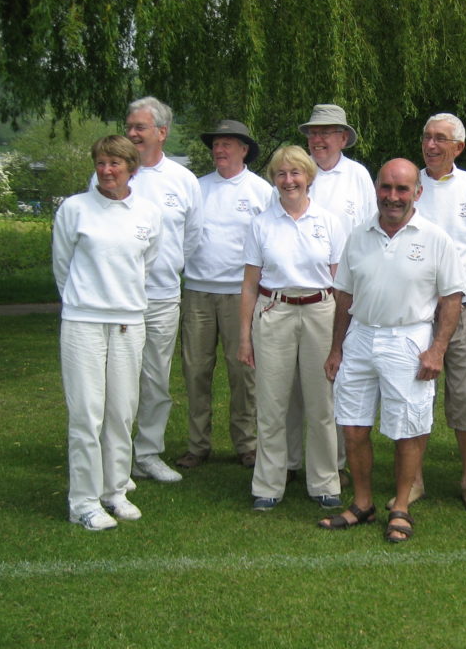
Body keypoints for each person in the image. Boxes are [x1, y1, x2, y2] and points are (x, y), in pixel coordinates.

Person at [319, 158, 466, 543]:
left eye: (402, 189)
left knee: (409, 429)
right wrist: (337, 348)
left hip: (409, 339)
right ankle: (363, 503)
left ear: (417, 192)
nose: (393, 196)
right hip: (361, 336)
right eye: (386, 188)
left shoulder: (435, 238)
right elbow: (344, 295)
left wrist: (437, 349)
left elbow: (452, 299)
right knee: (353, 426)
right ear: (377, 190)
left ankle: (400, 506)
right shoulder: (359, 235)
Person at [89, 97, 203, 485]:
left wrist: (166, 269)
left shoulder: (183, 180)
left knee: (156, 379)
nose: (132, 133)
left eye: (140, 127)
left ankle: (148, 454)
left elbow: (192, 238)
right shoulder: (111, 175)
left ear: (162, 132)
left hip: (162, 297)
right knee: (113, 381)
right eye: (130, 126)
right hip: (115, 299)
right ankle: (112, 459)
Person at [54, 135, 162, 530]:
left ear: (131, 168)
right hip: (83, 323)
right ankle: (82, 501)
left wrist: (121, 304)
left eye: (115, 163)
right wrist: (85, 305)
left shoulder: (149, 213)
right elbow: (62, 266)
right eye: (101, 163)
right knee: (86, 413)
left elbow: (144, 265)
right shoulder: (75, 209)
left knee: (121, 412)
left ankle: (114, 491)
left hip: (129, 322)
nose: (107, 170)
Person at [238, 145, 344, 511]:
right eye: (281, 174)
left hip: (319, 313)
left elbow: (338, 282)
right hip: (274, 312)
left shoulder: (328, 222)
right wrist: (244, 337)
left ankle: (325, 483)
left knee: (321, 404)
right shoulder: (261, 224)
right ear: (274, 180)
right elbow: (250, 284)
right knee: (272, 404)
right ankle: (269, 484)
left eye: (296, 173)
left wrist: (340, 340)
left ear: (308, 178)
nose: (289, 180)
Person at [409, 112, 466, 513]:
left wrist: (453, 292)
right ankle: (414, 479)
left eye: (440, 139)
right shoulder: (410, 183)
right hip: (417, 307)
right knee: (415, 393)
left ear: (458, 147)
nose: (431, 145)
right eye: (427, 137)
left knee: (465, 393)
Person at [288, 104, 377, 486]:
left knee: (333, 377)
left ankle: (335, 461)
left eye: (327, 133)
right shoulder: (296, 171)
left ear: (343, 138)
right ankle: (291, 461)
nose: (318, 140)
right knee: (291, 383)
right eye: (313, 133)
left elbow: (372, 231)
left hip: (343, 292)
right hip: (295, 290)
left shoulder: (358, 176)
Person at [177, 120, 273, 469]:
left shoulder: (261, 191)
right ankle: (197, 444)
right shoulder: (196, 188)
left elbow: (270, 241)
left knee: (242, 372)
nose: (220, 150)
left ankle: (247, 443)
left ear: (244, 149)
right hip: (198, 291)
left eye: (228, 144)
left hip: (240, 294)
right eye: (217, 144)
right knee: (195, 370)